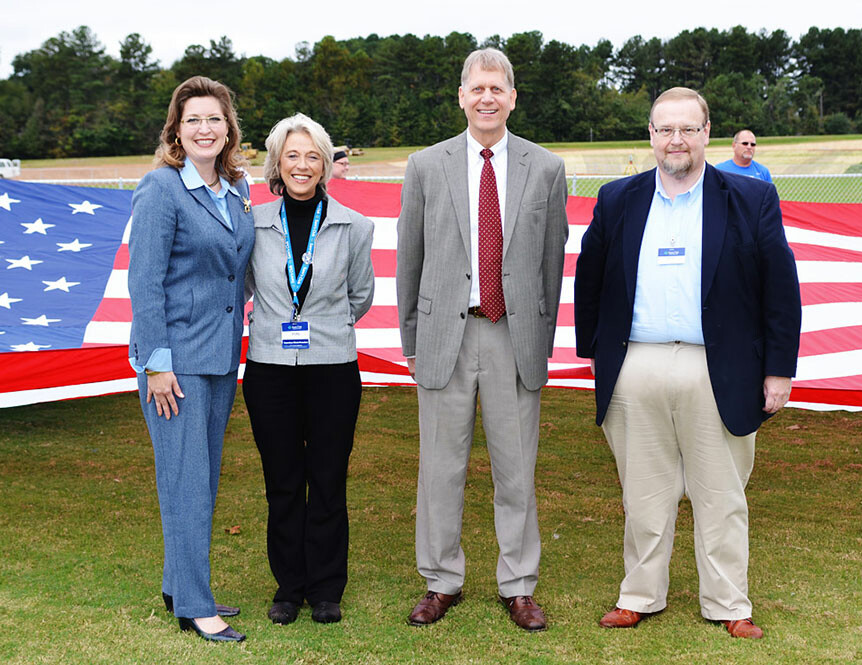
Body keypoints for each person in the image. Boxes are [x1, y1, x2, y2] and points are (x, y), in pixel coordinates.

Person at [574, 88, 801, 639]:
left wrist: (778, 370)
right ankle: (639, 595)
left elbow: (780, 288)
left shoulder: (749, 199)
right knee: (643, 495)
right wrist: (596, 355)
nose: (675, 139)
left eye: (687, 129)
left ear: (706, 133)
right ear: (650, 135)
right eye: (664, 129)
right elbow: (591, 278)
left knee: (720, 495)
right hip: (637, 366)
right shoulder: (617, 198)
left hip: (717, 369)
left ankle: (729, 603)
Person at [396, 48, 568, 632]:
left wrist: (539, 342)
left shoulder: (545, 168)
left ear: (512, 97)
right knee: (439, 469)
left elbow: (551, 263)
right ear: (462, 96)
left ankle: (518, 584)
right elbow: (410, 258)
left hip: (512, 337)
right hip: (445, 333)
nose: (487, 98)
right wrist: (412, 338)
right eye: (478, 89)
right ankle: (441, 580)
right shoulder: (425, 165)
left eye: (498, 89)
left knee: (516, 470)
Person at [128, 75, 254, 643]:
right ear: (176, 130)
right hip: (173, 365)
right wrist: (155, 364)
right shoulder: (160, 189)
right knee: (184, 484)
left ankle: (181, 585)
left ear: (228, 129)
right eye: (193, 120)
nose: (205, 129)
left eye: (215, 119)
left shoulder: (235, 187)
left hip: (221, 359)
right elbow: (145, 284)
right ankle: (196, 607)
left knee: (199, 481)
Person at [243, 113, 374, 626]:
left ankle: (325, 588)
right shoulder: (252, 223)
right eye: (292, 156)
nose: (302, 165)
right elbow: (244, 289)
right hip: (270, 370)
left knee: (327, 480)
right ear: (278, 163)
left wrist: (324, 327)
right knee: (281, 481)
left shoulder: (354, 225)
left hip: (332, 369)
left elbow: (359, 296)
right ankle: (288, 587)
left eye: (312, 156)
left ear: (325, 165)